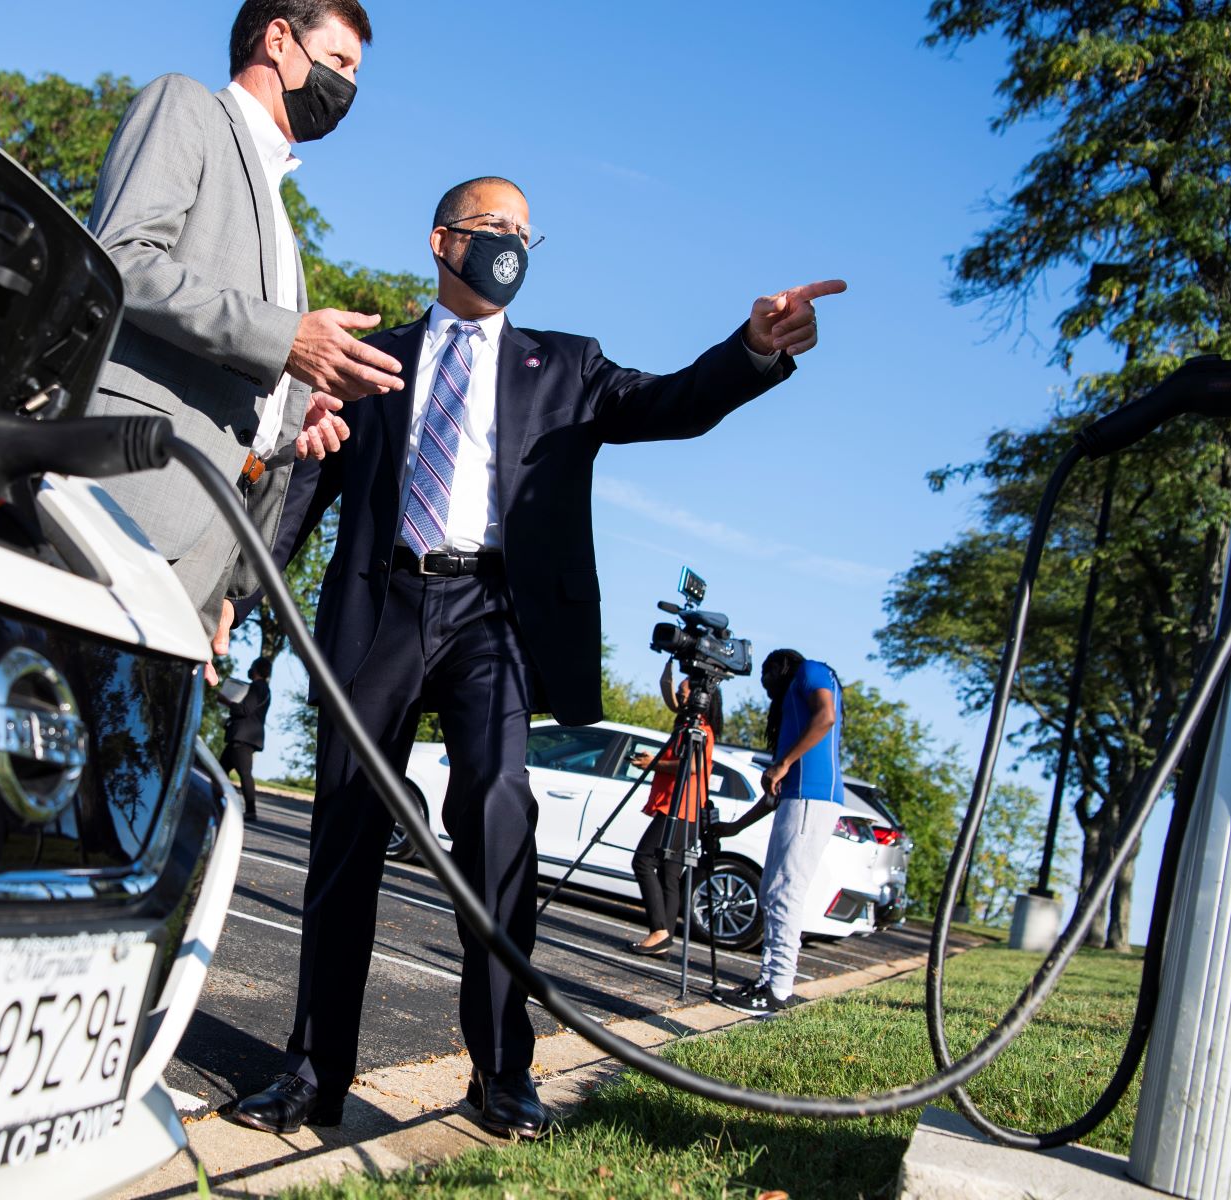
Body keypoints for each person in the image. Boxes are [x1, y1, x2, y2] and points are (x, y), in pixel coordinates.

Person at [226, 174, 843, 1140]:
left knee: (498, 813)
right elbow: (309, 480)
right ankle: (313, 1073)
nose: (510, 244)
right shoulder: (372, 357)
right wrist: (237, 589)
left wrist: (754, 349)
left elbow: (672, 403)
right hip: (382, 599)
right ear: (442, 241)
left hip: (493, 614)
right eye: (491, 227)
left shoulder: (567, 366)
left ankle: (502, 1072)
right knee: (344, 827)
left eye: (525, 231)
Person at [84, 0, 401, 656]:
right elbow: (122, 258)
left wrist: (295, 410)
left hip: (207, 554)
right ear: (279, 40)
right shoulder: (187, 107)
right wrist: (286, 339)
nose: (349, 88)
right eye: (339, 61)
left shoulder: (280, 221)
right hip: (132, 502)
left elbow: (242, 372)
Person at [719, 649, 845, 1017]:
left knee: (785, 892)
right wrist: (734, 827)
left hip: (813, 797)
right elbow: (774, 794)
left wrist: (785, 762)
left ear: (780, 667)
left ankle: (777, 989)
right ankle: (770, 982)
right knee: (772, 890)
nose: (762, 681)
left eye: (765, 672)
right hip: (800, 800)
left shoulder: (812, 670)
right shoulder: (793, 713)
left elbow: (827, 716)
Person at [626, 663, 722, 957]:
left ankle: (659, 931)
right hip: (683, 811)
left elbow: (691, 767)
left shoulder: (698, 729)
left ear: (697, 696)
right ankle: (663, 939)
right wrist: (669, 663)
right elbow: (668, 692)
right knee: (669, 873)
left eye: (684, 690)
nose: (679, 694)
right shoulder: (688, 723)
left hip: (679, 810)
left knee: (642, 861)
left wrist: (652, 763)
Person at [217, 656, 274, 822]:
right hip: (245, 737)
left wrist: (226, 701)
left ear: (256, 669)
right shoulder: (265, 689)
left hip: (242, 738)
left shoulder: (257, 687)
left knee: (244, 774)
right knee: (220, 772)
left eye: (252, 666)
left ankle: (250, 810)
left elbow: (244, 709)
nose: (250, 669)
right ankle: (218, 802)